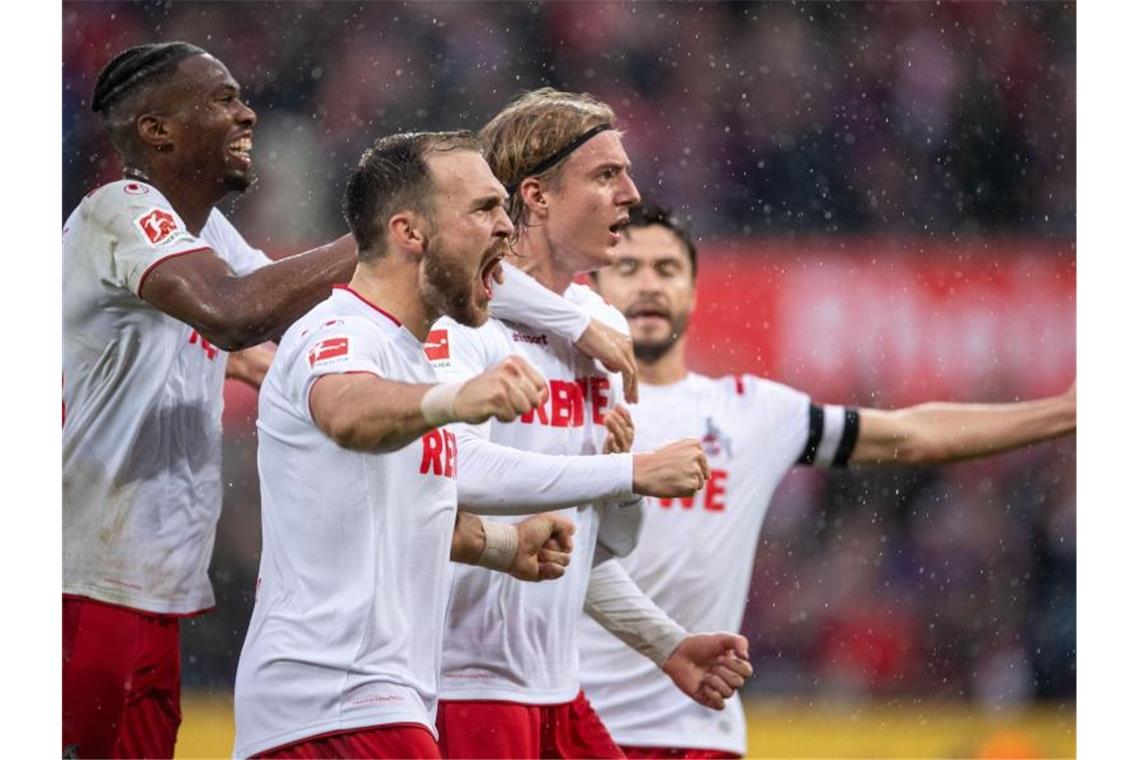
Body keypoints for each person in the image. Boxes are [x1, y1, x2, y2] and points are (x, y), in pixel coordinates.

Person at [62, 42, 639, 759]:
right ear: (157, 129)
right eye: (220, 99)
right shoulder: (119, 211)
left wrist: (502, 542)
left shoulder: (216, 247)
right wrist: (403, 219)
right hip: (91, 586)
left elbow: (408, 482)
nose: (246, 111)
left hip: (163, 590)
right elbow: (240, 312)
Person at [579, 203, 1078, 759]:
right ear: (595, 288)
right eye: (629, 267)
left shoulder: (750, 411)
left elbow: (909, 435)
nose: (649, 283)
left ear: (695, 293)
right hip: (572, 722)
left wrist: (1064, 412)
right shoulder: (562, 405)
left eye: (667, 269)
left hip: (696, 734)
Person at [232, 130, 599, 759]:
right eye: (484, 209)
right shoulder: (340, 328)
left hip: (364, 708)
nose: (507, 227)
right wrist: (456, 401)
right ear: (409, 233)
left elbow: (397, 511)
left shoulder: (412, 357)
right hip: (336, 703)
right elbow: (346, 411)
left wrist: (504, 546)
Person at [429, 90, 753, 760]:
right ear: (537, 196)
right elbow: (451, 479)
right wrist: (628, 470)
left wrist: (665, 642)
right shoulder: (459, 321)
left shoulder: (598, 327)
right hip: (461, 684)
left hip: (557, 690)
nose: (630, 194)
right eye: (606, 175)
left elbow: (591, 550)